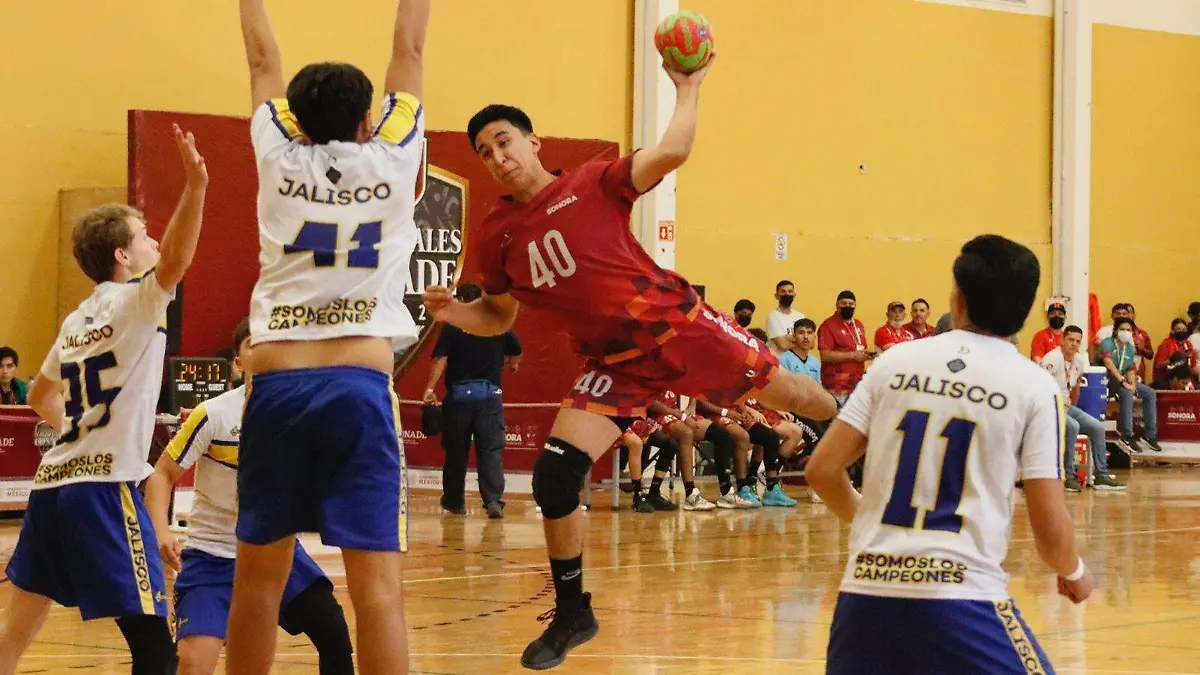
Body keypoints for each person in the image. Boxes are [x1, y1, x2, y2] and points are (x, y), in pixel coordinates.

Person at [426, 56, 836, 670]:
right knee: (555, 476)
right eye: (485, 151)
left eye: (504, 141)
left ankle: (865, 431)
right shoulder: (497, 235)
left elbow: (671, 151)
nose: (497, 155)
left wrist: (689, 88)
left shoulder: (592, 182)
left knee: (809, 403)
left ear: (533, 142)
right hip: (615, 363)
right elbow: (499, 316)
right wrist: (455, 314)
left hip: (685, 331)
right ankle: (572, 611)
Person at [228, 1, 429, 672]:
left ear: (297, 120)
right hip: (359, 382)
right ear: (367, 118)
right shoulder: (396, 155)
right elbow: (410, 51)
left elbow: (263, 62)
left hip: (278, 382)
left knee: (258, 579)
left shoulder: (277, 152)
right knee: (379, 593)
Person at [805, 234, 1092, 674]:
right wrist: (1073, 572)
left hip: (864, 596)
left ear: (956, 298)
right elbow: (1049, 526)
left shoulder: (893, 363)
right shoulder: (1033, 385)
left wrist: (867, 519)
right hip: (962, 599)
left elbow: (822, 470)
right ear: (1028, 308)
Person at [0, 125, 207, 675]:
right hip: (103, 488)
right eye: (144, 234)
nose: (155, 240)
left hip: (51, 486)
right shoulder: (137, 301)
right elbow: (180, 256)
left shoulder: (78, 317)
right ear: (123, 255)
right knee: (155, 649)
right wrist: (197, 186)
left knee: (14, 633)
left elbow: (42, 394)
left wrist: (81, 428)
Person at [144, 320, 353, 675]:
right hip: (212, 557)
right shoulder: (212, 414)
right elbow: (162, 475)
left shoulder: (300, 413)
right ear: (238, 363)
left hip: (277, 551)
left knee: (333, 629)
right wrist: (161, 532)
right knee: (195, 664)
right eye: (255, 343)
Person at [423, 283, 522, 519]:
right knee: (490, 450)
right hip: (489, 397)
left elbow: (440, 359)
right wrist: (509, 365)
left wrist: (429, 388)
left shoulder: (452, 328)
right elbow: (516, 354)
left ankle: (455, 502)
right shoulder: (498, 325)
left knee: (456, 451)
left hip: (458, 399)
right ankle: (493, 502)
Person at [1042, 325, 1124, 491]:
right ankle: (1067, 476)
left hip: (1067, 406)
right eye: (1070, 340)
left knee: (1097, 427)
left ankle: (1101, 475)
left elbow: (1076, 387)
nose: (1074, 344)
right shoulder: (1051, 359)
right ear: (1062, 340)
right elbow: (1039, 387)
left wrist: (1073, 407)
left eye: (1078, 341)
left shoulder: (1079, 361)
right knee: (1072, 426)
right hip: (1049, 407)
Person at [1097, 317, 1163, 454]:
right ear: (1115, 330)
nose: (1126, 332)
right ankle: (1127, 435)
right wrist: (1123, 383)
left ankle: (1150, 435)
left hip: (1124, 379)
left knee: (1150, 393)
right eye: (1122, 329)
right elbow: (1109, 365)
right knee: (1126, 393)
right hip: (1107, 378)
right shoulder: (1108, 343)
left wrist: (1132, 384)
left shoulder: (1130, 348)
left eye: (1129, 330)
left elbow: (1131, 369)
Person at [818, 290, 874, 405]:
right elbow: (825, 355)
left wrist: (867, 354)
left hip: (856, 385)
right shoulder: (828, 325)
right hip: (837, 386)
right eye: (843, 304)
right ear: (837, 305)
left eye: (851, 304)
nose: (847, 306)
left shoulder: (858, 324)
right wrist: (853, 355)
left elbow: (860, 349)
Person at [1153, 318, 1197, 383]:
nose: (1182, 331)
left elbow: (1192, 367)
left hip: (1186, 380)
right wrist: (1174, 360)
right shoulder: (1166, 344)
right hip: (1168, 380)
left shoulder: (1188, 345)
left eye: (1184, 329)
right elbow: (1157, 365)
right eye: (1179, 329)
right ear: (1173, 331)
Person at [779, 318, 821, 382]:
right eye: (801, 332)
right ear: (794, 336)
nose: (806, 337)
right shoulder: (783, 360)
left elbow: (818, 388)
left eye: (809, 333)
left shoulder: (815, 362)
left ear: (814, 336)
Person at [764, 280, 802, 352]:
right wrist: (800, 341)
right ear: (776, 296)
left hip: (797, 361)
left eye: (790, 291)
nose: (787, 294)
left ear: (794, 295)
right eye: (783, 291)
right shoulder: (772, 317)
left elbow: (811, 344)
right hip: (779, 361)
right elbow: (782, 345)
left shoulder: (800, 316)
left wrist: (786, 338)